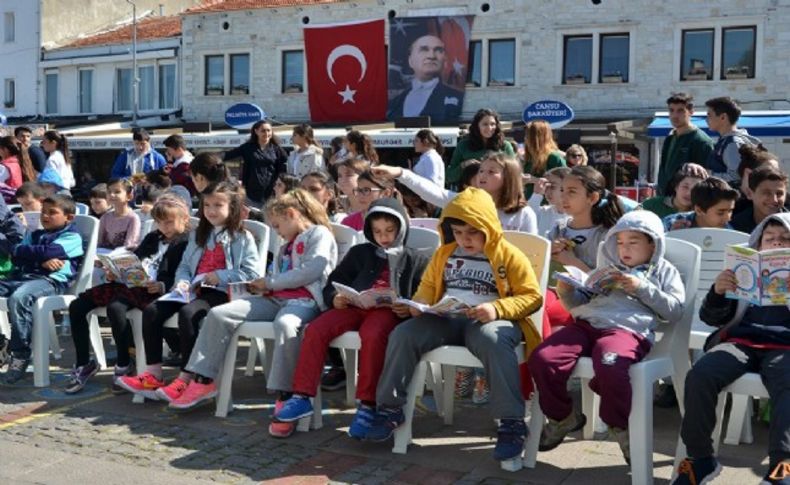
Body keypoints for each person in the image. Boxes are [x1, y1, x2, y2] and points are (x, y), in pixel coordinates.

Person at [361, 188, 543, 463]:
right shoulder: (444, 253)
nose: (464, 239)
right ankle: (389, 408)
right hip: (445, 318)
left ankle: (511, 423)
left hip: (487, 321)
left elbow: (532, 297)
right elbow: (428, 288)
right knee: (403, 334)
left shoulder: (509, 255)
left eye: (472, 232)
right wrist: (417, 305)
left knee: (495, 340)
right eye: (458, 232)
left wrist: (496, 308)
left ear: (488, 228)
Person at [170, 189, 336, 438]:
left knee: (286, 326)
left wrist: (269, 283)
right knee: (219, 314)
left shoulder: (319, 234)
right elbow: (277, 273)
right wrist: (261, 283)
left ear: (291, 214)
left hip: (304, 301)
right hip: (275, 298)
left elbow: (311, 271)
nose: (277, 232)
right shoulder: (288, 240)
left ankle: (286, 395)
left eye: (278, 225)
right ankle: (204, 380)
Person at [529, 210, 685, 465]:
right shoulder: (607, 268)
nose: (625, 248)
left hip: (627, 330)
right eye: (620, 242)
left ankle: (618, 425)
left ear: (653, 244)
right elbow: (579, 304)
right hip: (586, 324)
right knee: (543, 358)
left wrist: (641, 288)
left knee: (611, 366)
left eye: (633, 242)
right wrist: (568, 292)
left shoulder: (665, 271)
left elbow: (675, 311)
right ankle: (562, 416)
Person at [273, 198, 428, 438]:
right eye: (377, 231)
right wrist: (336, 297)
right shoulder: (360, 253)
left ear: (401, 229)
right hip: (353, 306)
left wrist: (409, 308)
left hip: (387, 312)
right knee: (315, 329)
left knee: (373, 335)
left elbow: (425, 294)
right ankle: (302, 395)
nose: (383, 237)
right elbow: (334, 282)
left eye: (389, 231)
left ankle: (368, 404)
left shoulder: (415, 259)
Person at [672, 213, 790, 485]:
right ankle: (700, 459)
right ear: (758, 247)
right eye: (769, 239)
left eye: (785, 239)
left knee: (787, 380)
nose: (776, 244)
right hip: (741, 342)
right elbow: (712, 318)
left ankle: (782, 464)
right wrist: (718, 292)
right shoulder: (744, 269)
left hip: (785, 347)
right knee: (701, 374)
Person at [117, 182, 261, 401]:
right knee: (152, 310)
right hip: (193, 289)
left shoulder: (243, 237)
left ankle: (185, 378)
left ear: (232, 207)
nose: (211, 210)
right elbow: (185, 266)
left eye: (218, 205)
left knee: (188, 314)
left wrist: (220, 275)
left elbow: (251, 273)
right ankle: (153, 373)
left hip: (222, 293)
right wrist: (182, 282)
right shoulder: (198, 235)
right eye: (207, 205)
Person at [64, 195, 191, 394]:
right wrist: (115, 271)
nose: (164, 227)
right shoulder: (153, 237)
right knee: (78, 306)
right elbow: (135, 259)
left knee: (116, 308)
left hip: (156, 290)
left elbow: (185, 272)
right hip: (134, 284)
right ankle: (84, 363)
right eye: (159, 223)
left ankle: (124, 363)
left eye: (169, 222)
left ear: (184, 219)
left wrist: (162, 285)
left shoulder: (187, 242)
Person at [0, 195, 84, 384]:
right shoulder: (35, 234)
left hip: (50, 282)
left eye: (52, 213)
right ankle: (1, 344)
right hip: (23, 277)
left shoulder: (72, 236)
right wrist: (39, 258)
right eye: (43, 212)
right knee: (18, 292)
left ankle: (20, 354)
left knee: (19, 298)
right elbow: (16, 255)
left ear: (68, 217)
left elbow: (45, 251)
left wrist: (32, 254)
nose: (45, 216)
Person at [543, 166, 626, 333]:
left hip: (588, 302)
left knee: (542, 310)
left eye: (572, 192)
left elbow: (609, 285)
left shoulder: (606, 236)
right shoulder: (559, 229)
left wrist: (572, 262)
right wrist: (548, 252)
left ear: (593, 197)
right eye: (562, 190)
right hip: (552, 293)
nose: (563, 197)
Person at [375, 153, 538, 234]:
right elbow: (433, 193)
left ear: (509, 178)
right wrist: (400, 173)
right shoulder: (466, 202)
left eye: (491, 172)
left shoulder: (524, 214)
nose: (482, 175)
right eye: (481, 170)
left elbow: (533, 253)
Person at [387, 34, 464, 123]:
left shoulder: (459, 99)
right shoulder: (394, 104)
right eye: (424, 49)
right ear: (410, 61)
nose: (431, 56)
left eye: (438, 50)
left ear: (445, 61)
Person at [656, 93, 714, 195]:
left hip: (687, 201)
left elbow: (706, 177)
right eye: (671, 110)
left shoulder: (701, 141)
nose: (674, 115)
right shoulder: (670, 138)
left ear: (691, 112)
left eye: (680, 111)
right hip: (665, 199)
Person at [224, 121, 287, 208]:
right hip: (251, 194)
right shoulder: (248, 148)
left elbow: (285, 169)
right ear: (256, 131)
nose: (266, 133)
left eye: (269, 130)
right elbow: (227, 155)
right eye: (263, 131)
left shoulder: (278, 150)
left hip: (272, 194)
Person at [446, 109, 515, 186]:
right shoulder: (463, 145)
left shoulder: (505, 146)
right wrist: (464, 165)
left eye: (493, 124)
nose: (489, 128)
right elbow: (449, 177)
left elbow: (514, 173)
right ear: (477, 126)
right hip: (471, 193)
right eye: (485, 124)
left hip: (498, 193)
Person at [705, 96, 760, 185]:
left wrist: (709, 175)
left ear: (723, 117)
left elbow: (736, 177)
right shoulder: (726, 141)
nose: (706, 120)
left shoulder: (732, 144)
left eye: (709, 115)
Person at [663, 177, 739, 232]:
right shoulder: (670, 224)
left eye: (730, 211)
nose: (728, 218)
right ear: (699, 210)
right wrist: (672, 237)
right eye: (720, 213)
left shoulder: (729, 232)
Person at [730, 165, 788, 234]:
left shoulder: (788, 223)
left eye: (779, 193)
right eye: (766, 193)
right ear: (749, 194)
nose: (774, 200)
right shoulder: (734, 227)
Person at [641, 164, 708, 219]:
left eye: (695, 189)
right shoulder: (652, 205)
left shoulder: (702, 213)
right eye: (685, 187)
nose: (689, 193)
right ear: (676, 186)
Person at [523, 120, 567, 199]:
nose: (525, 138)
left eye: (528, 135)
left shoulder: (554, 158)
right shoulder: (529, 159)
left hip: (548, 205)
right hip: (529, 203)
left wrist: (534, 180)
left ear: (537, 138)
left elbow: (564, 184)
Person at [734, 144, 782, 214]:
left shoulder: (785, 201)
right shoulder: (728, 200)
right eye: (768, 172)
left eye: (778, 172)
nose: (776, 175)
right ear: (748, 173)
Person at [97, 178, 141, 252]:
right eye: (109, 192)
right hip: (104, 256)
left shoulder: (133, 218)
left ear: (129, 196)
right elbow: (99, 242)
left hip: (123, 258)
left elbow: (129, 246)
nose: (111, 195)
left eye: (117, 192)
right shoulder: (105, 217)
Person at [527, 167, 571, 238]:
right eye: (546, 186)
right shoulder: (543, 212)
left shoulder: (575, 217)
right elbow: (526, 216)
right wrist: (537, 195)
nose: (547, 191)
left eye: (553, 187)